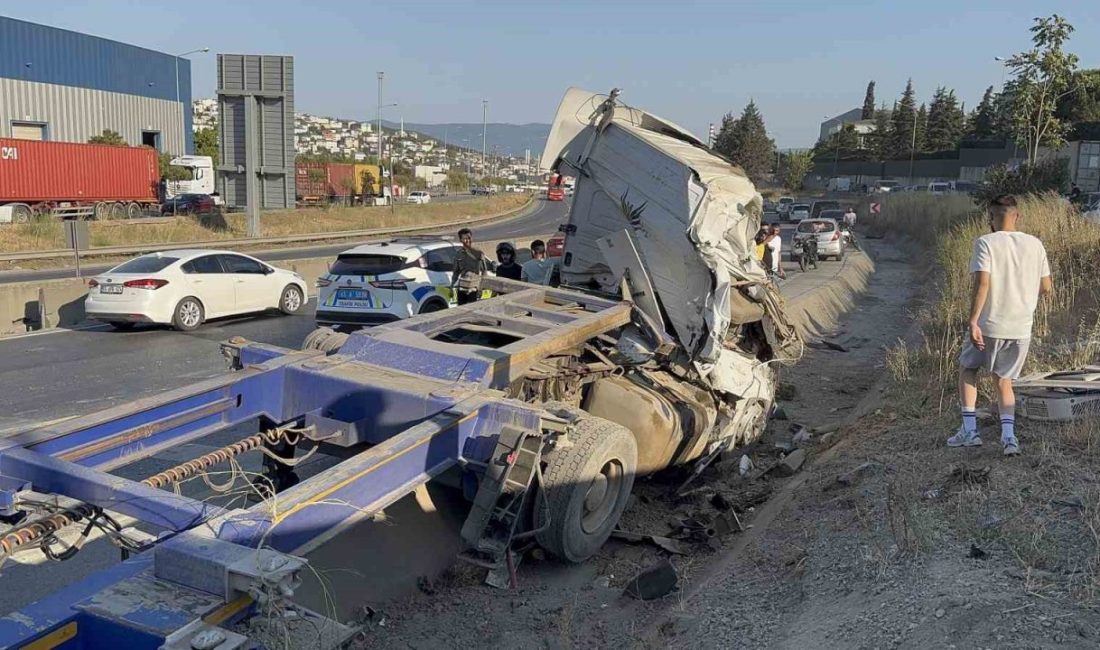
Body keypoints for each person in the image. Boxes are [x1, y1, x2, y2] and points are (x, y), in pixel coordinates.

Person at [948, 194, 1053, 456]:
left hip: (989, 324)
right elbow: (1046, 287)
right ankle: (1009, 438)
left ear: (990, 217)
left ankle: (970, 431)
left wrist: (973, 320)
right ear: (1017, 215)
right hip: (1020, 327)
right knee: (1004, 381)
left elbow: (982, 282)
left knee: (968, 369)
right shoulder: (1035, 244)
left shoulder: (985, 242)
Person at [451, 228, 488, 304]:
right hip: (462, 288)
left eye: (469, 238)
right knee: (462, 310)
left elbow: (484, 272)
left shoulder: (478, 253)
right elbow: (456, 272)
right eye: (464, 239)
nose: (467, 240)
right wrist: (452, 286)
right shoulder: (458, 254)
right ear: (460, 240)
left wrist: (480, 288)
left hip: (474, 287)